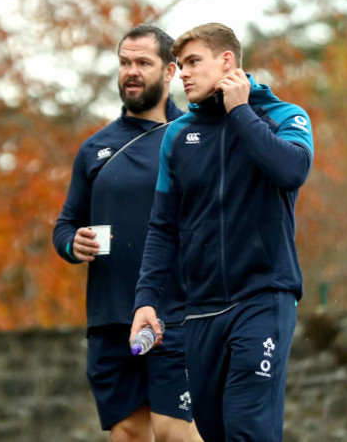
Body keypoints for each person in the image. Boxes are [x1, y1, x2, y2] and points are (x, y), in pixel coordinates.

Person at [131, 23, 314, 442]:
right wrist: (146, 301)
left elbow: (291, 170)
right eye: (180, 65)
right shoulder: (177, 137)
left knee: (249, 431)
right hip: (199, 314)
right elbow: (163, 228)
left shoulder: (284, 116)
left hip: (262, 300)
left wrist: (240, 112)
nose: (184, 75)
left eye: (194, 62)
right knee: (214, 434)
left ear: (227, 61)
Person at [53, 24, 202, 442]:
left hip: (175, 314)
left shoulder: (194, 137)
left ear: (170, 71)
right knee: (128, 435)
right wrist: (71, 242)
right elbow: (65, 225)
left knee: (176, 433)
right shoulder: (94, 149)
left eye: (143, 63)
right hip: (111, 318)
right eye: (124, 63)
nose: (131, 72)